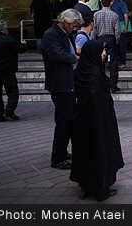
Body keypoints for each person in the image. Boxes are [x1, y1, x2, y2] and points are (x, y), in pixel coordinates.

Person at [70, 40, 124, 202]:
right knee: (100, 151)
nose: (104, 54)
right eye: (102, 51)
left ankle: (86, 185)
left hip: (82, 121)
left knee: (85, 152)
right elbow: (98, 99)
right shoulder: (95, 75)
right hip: (99, 122)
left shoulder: (81, 72)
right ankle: (100, 187)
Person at [41, 9, 81, 170]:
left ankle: (63, 152)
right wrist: (75, 58)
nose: (75, 28)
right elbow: (57, 54)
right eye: (73, 25)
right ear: (64, 22)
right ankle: (58, 158)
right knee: (64, 121)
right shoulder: (51, 35)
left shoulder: (67, 34)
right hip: (59, 84)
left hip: (69, 82)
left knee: (69, 120)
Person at [91, 0, 121, 92]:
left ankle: (100, 84)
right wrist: (116, 41)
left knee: (100, 63)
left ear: (101, 3)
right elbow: (117, 31)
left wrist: (93, 40)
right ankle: (113, 85)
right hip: (111, 39)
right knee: (113, 63)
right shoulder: (114, 15)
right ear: (110, 3)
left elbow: (94, 29)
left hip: (100, 39)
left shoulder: (96, 15)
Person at [106, 0, 129, 69]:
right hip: (110, 27)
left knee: (121, 45)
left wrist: (125, 27)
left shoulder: (121, 3)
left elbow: (125, 15)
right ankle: (113, 62)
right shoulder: (105, 4)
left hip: (120, 25)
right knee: (112, 46)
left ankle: (122, 62)